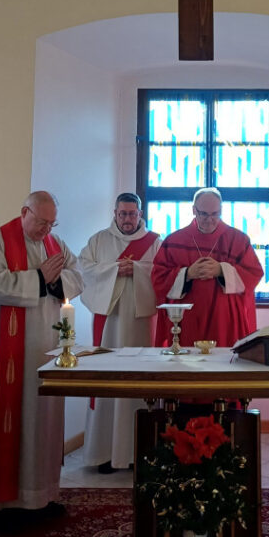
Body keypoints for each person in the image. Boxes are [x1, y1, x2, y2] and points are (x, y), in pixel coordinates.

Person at [0, 191, 84, 520]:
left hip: (44, 349)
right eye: (41, 222)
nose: (47, 229)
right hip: (0, 352)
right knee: (0, 417)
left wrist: (56, 283)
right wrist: (40, 277)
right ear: (24, 212)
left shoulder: (55, 243)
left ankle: (39, 496)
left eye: (52, 223)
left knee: (41, 420)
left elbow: (77, 274)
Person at [77, 192, 162, 473]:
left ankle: (140, 454)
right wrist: (114, 270)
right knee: (108, 380)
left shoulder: (155, 242)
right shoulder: (98, 240)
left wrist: (137, 269)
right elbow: (84, 270)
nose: (127, 219)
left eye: (132, 214)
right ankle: (104, 454)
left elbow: (163, 273)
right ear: (114, 213)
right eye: (122, 213)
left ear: (140, 214)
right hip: (108, 324)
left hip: (141, 326)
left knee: (140, 382)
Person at [151, 187, 263, 346]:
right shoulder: (174, 240)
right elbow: (158, 278)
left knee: (224, 358)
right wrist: (187, 273)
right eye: (203, 214)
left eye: (215, 214)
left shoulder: (238, 239)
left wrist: (222, 270)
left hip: (224, 318)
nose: (209, 219)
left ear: (221, 210)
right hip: (187, 317)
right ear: (194, 210)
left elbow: (254, 273)